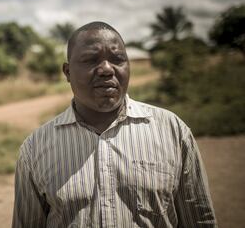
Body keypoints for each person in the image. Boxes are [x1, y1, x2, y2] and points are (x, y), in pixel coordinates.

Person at [12, 21, 217, 227]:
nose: (106, 69)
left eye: (118, 59)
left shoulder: (172, 130)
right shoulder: (35, 148)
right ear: (67, 72)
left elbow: (200, 220)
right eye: (91, 60)